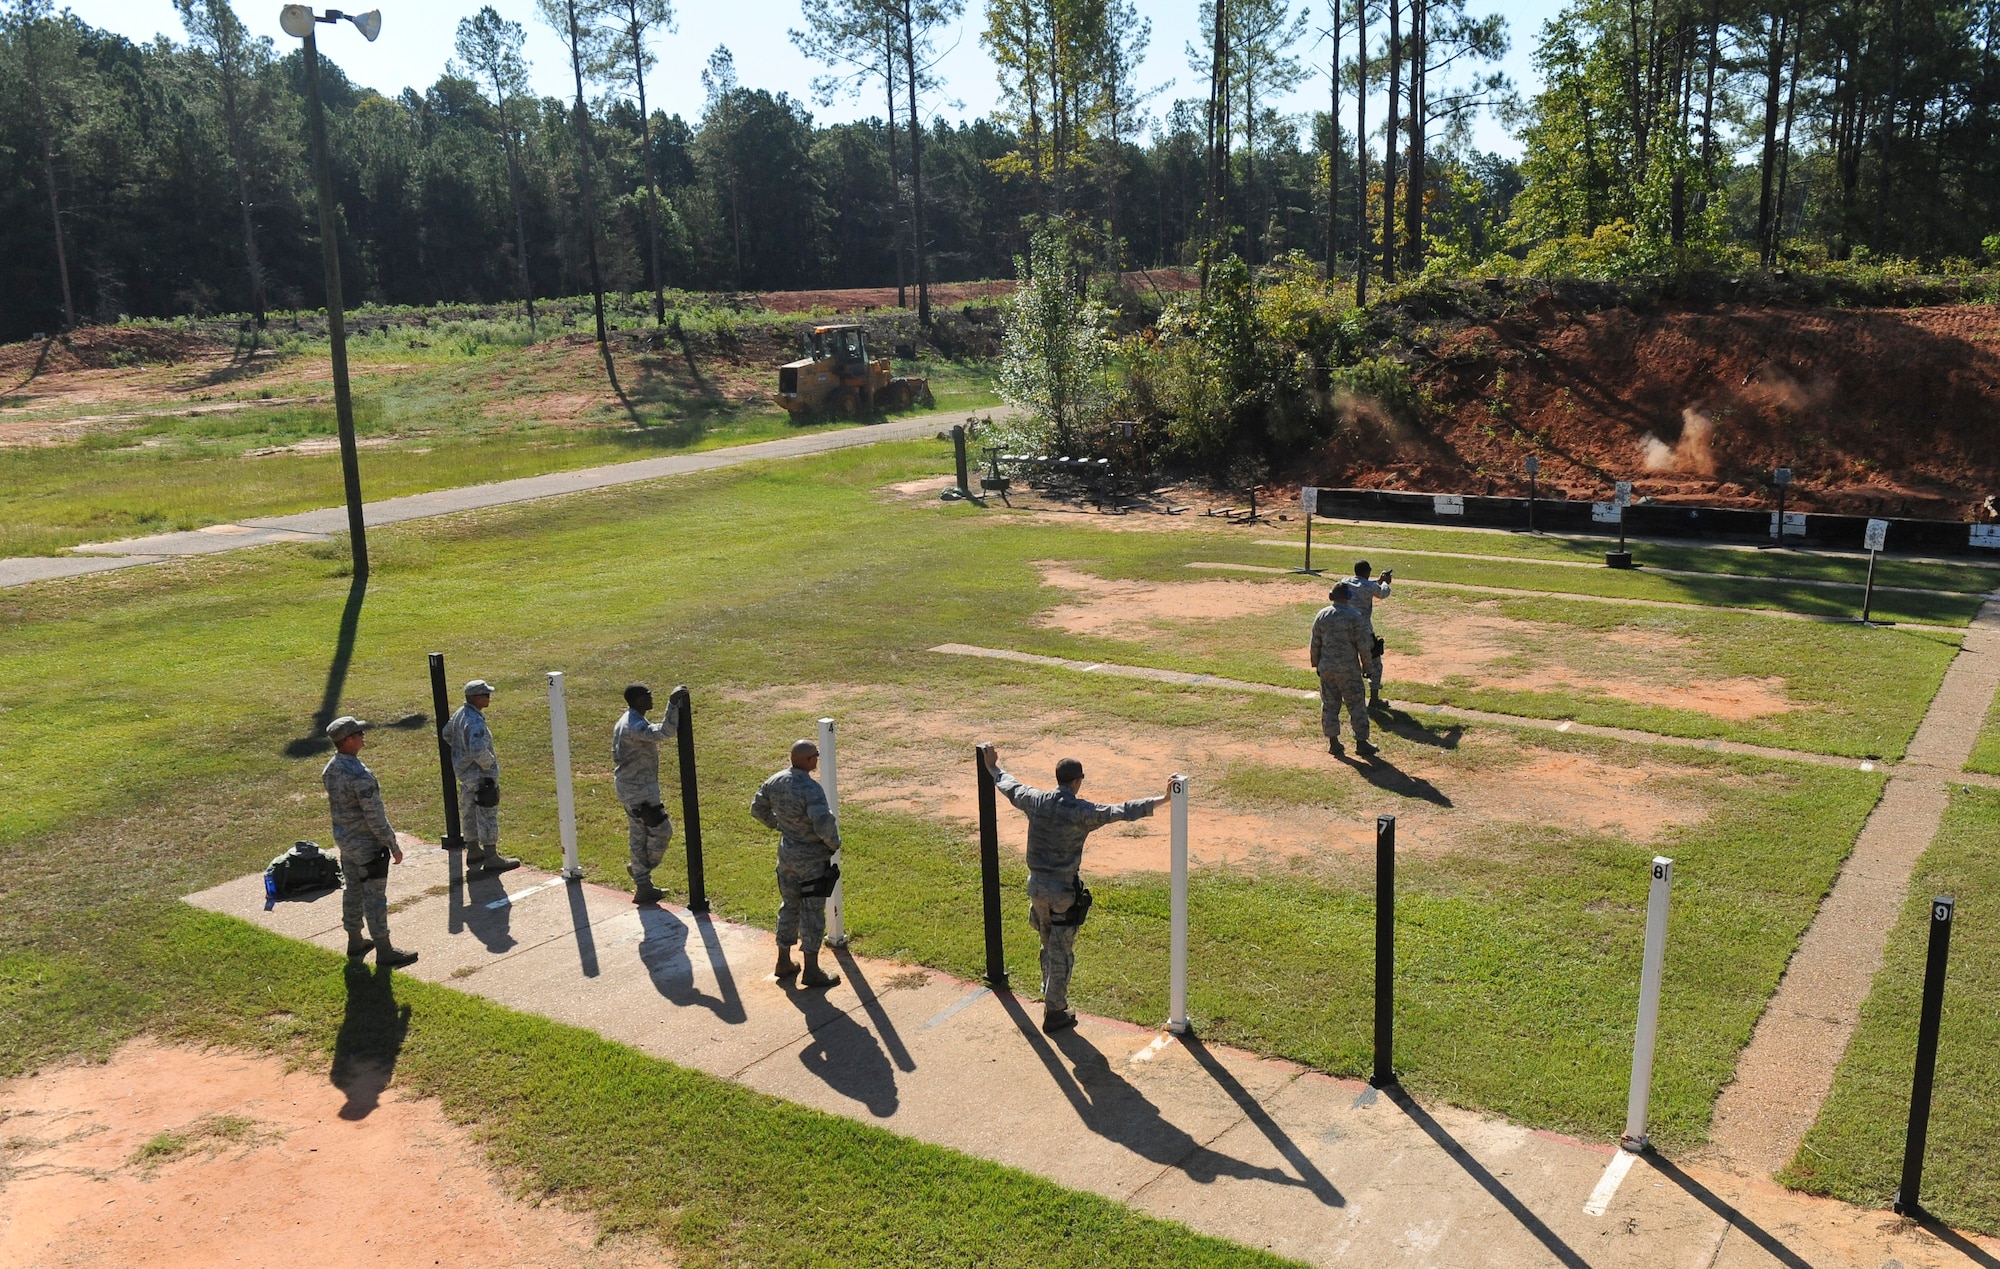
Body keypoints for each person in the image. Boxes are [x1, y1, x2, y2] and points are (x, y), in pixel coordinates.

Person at [981, 745, 1165, 1034]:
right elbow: (1120, 811)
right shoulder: (1080, 812)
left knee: (1046, 944)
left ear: (1057, 778)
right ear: (1078, 780)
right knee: (1061, 952)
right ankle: (1055, 1010)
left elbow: (1010, 786)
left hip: (1036, 889)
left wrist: (993, 766)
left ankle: (1049, 994)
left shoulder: (1037, 801)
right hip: (1062, 894)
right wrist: (1165, 799)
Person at [321, 716, 419, 968]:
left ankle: (355, 940)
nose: (363, 735)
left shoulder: (331, 768)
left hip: (346, 843)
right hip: (367, 847)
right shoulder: (360, 775)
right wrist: (392, 844)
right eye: (359, 733)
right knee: (374, 898)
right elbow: (375, 817)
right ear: (348, 740)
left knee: (352, 892)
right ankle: (384, 950)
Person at [751, 740, 843, 990]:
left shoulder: (775, 781)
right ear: (808, 761)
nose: (817, 759)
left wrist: (778, 825)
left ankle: (783, 962)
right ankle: (811, 970)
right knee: (812, 912)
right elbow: (823, 823)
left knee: (789, 906)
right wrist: (834, 844)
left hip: (787, 855)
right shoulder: (811, 789)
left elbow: (757, 808)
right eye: (816, 755)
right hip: (811, 859)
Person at [441, 679, 520, 876]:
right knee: (487, 814)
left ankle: (474, 850)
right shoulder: (474, 721)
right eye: (486, 695)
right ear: (476, 697)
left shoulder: (460, 713)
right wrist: (489, 764)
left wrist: (461, 755)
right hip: (481, 777)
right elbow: (477, 749)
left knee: (468, 812)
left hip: (465, 775)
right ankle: (492, 857)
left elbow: (446, 734)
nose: (489, 698)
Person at [613, 683, 682, 905]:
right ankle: (640, 873)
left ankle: (643, 885)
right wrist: (673, 705)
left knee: (639, 834)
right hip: (639, 791)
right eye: (648, 695)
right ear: (638, 700)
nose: (651, 698)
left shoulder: (628, 719)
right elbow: (664, 732)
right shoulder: (633, 725)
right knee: (662, 831)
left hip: (631, 787)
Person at [1310, 583, 1378, 758]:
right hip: (1348, 670)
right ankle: (1361, 743)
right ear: (1348, 596)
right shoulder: (1355, 617)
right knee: (1356, 706)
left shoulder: (1322, 615)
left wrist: (1316, 664)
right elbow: (1363, 647)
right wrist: (1368, 668)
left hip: (1327, 669)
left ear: (1331, 596)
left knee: (1329, 705)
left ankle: (1333, 742)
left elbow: (1315, 643)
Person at [1339, 560, 1394, 706]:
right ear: (1368, 572)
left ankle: (1347, 696)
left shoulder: (1345, 582)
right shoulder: (1370, 586)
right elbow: (1383, 593)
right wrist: (1385, 582)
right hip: (1364, 632)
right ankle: (1374, 698)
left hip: (1345, 630)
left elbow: (1363, 585)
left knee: (1348, 662)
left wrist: (1378, 581)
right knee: (1374, 662)